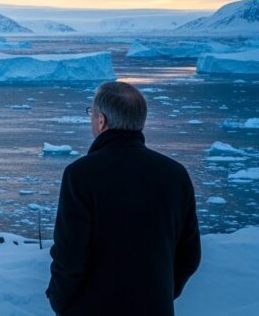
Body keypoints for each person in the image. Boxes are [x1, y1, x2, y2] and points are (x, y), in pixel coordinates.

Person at [46, 81, 201, 315]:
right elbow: (190, 255)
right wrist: (161, 293)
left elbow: (70, 257)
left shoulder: (81, 174)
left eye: (92, 113)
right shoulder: (175, 174)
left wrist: (62, 303)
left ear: (101, 121)